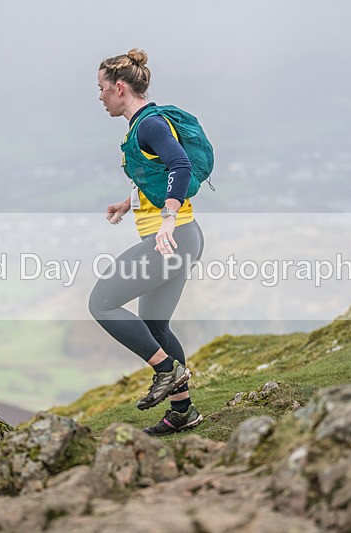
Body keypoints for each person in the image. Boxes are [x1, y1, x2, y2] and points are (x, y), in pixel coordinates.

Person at [88, 48, 206, 436]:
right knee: (155, 326)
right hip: (183, 239)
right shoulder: (140, 125)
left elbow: (180, 165)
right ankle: (183, 412)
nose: (100, 96)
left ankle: (165, 370)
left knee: (102, 302)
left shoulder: (150, 125)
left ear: (120, 88)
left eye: (102, 88)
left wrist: (168, 220)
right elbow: (157, 175)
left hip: (172, 239)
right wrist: (130, 202)